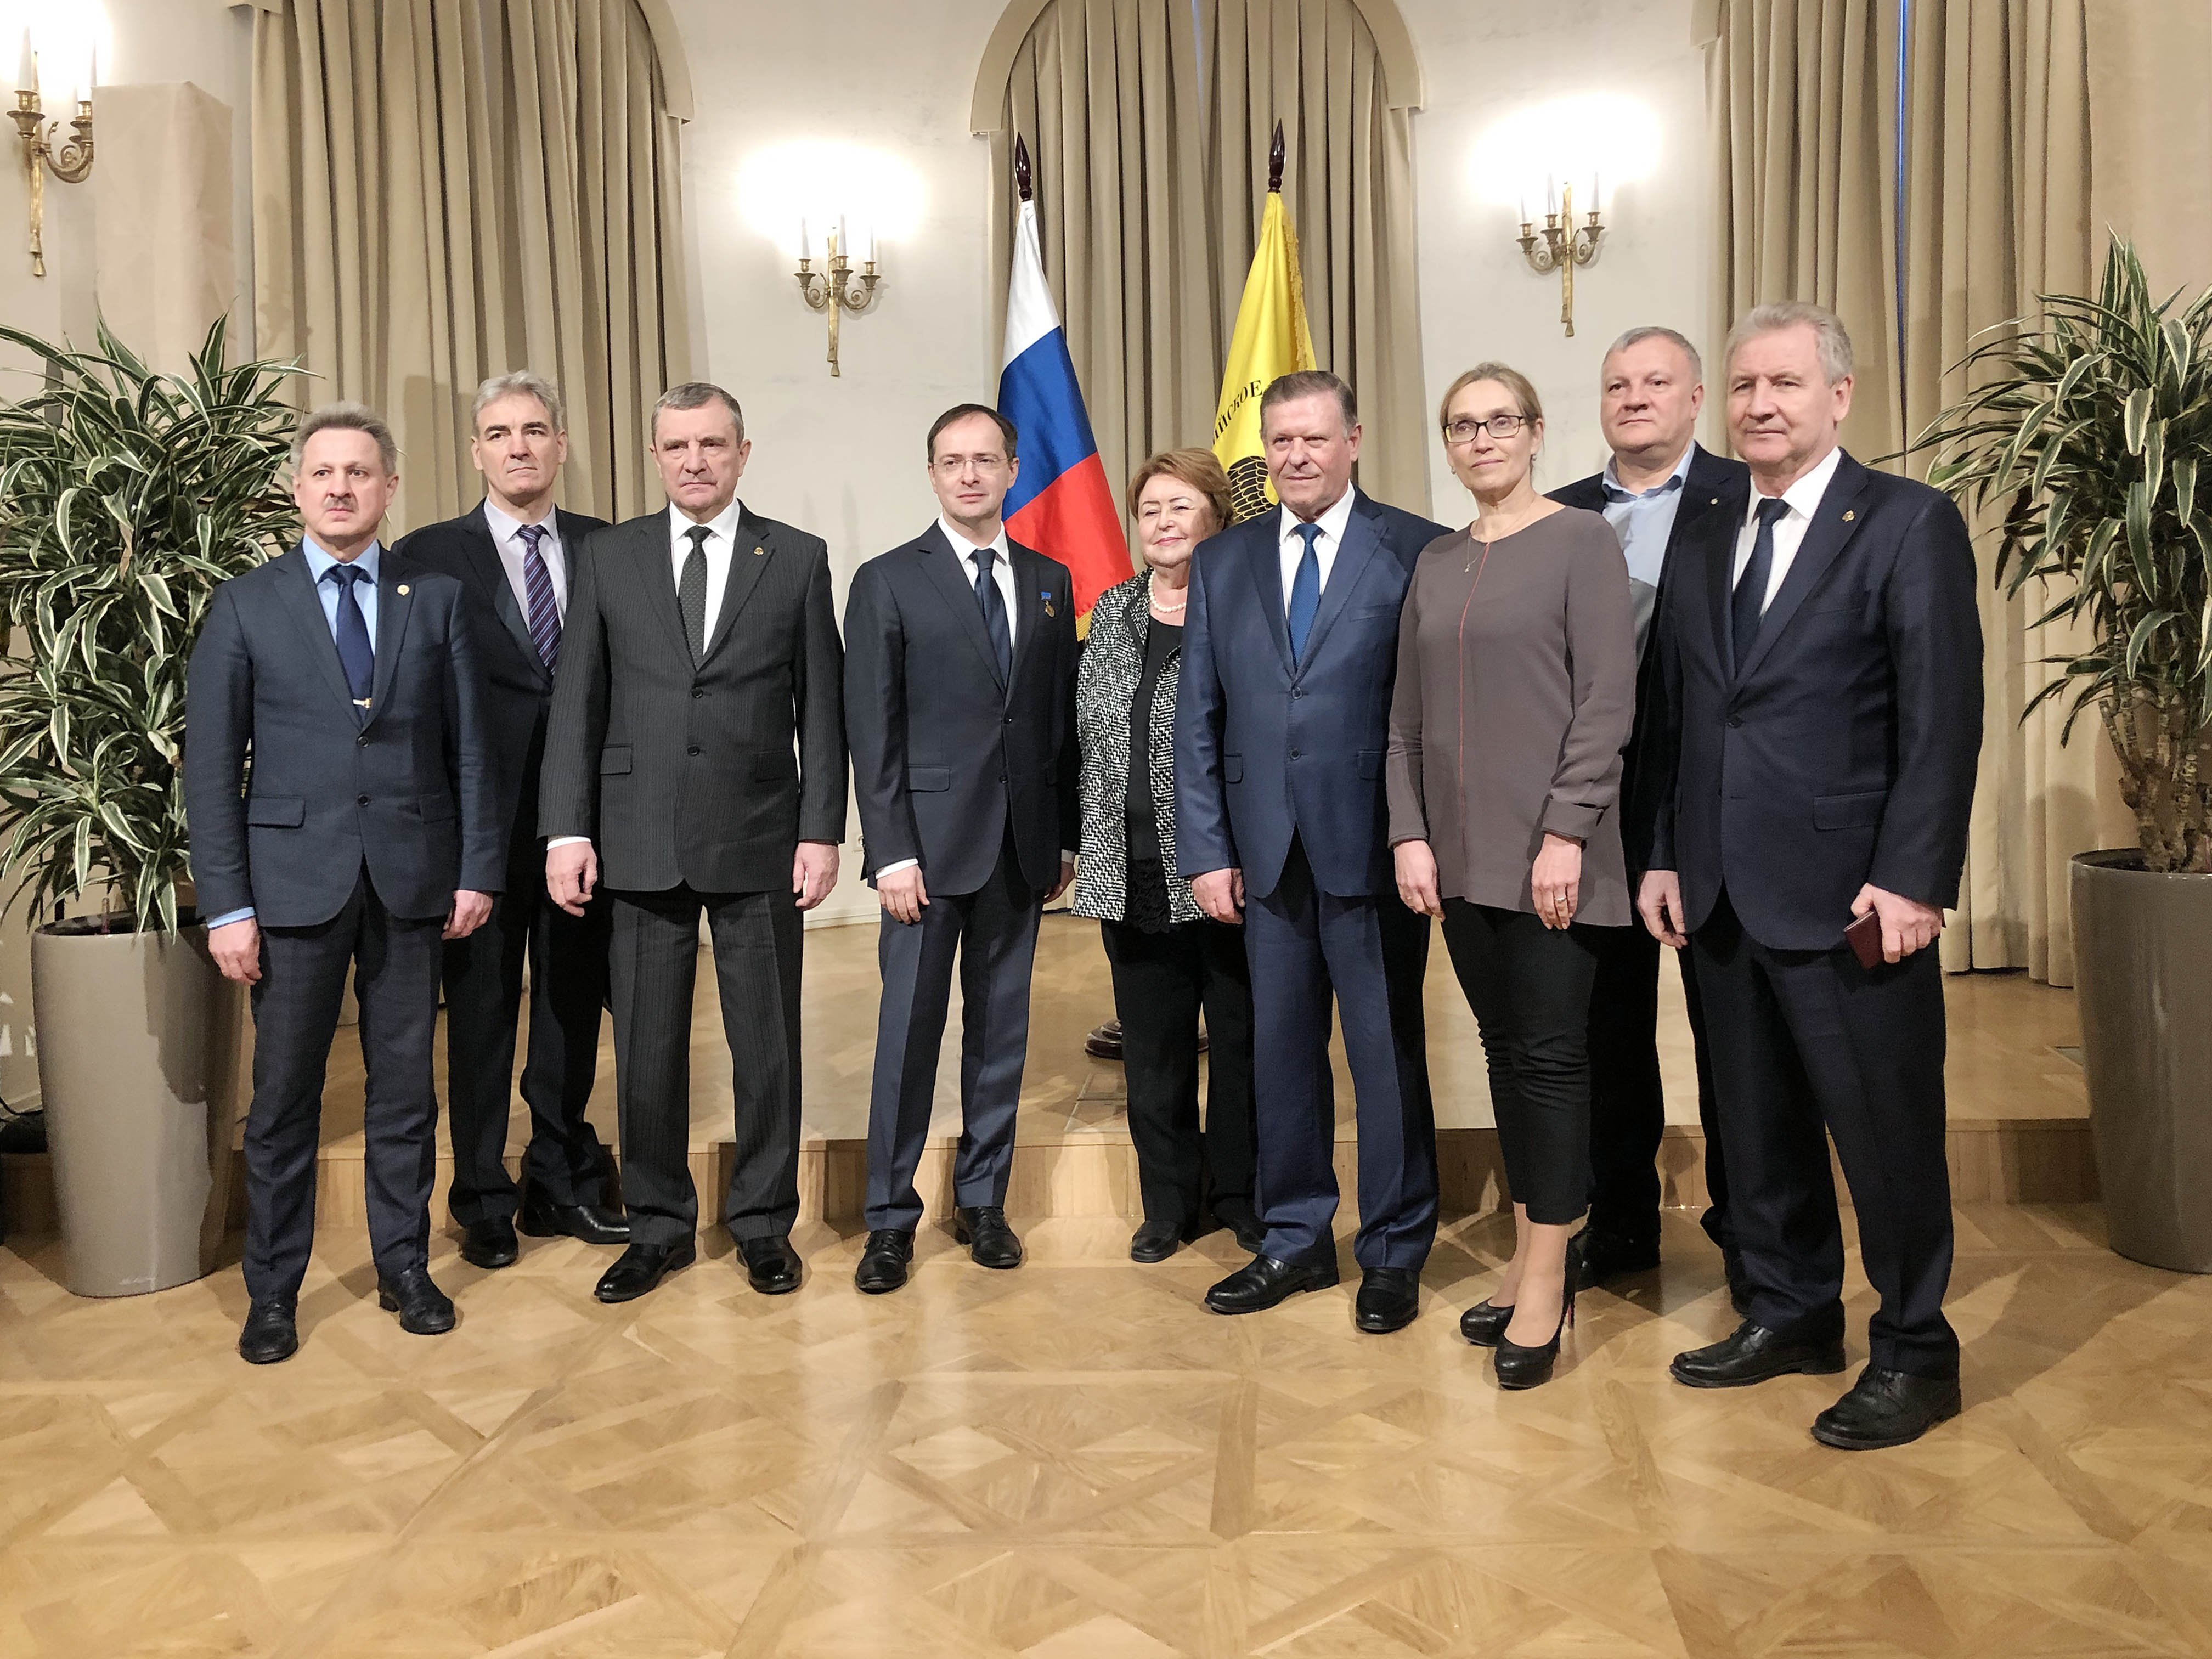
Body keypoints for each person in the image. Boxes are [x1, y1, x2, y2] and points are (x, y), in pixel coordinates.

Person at [1638, 302, 1982, 1451]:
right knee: (1754, 1125)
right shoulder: (1705, 527)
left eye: (1784, 384)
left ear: (1839, 395)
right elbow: (1681, 710)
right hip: (1721, 890)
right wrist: (1664, 852)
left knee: (1885, 1135)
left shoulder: (1906, 522)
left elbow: (1942, 719)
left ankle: (1917, 1351)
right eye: (1744, 386)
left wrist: (1914, 879)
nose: (1761, 405)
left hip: (1852, 898)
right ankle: (1791, 1313)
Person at [185, 403, 500, 1364]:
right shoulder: (247, 604)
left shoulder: (435, 599)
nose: (340, 488)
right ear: (297, 489)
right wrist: (227, 905)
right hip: (290, 889)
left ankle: (404, 1266)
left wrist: (477, 869)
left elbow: (472, 752)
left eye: (359, 472)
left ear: (389, 487)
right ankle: (273, 1292)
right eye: (322, 472)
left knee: (405, 1093)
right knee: (285, 1098)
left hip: (412, 882)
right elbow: (212, 769)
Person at [538, 382, 848, 1305]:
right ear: (655, 456)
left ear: (742, 453)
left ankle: (763, 1222)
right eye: (677, 446)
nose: (695, 461)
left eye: (712, 444)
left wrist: (822, 829)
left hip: (760, 836)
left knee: (768, 1044)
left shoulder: (796, 557)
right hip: (637, 836)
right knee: (646, 1050)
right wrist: (567, 829)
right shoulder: (610, 555)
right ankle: (658, 1226)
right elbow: (578, 700)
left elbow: (822, 710)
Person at [1175, 370, 1449, 1335]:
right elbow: (1198, 715)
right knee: (1280, 1054)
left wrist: (1419, 834)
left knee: (1385, 1055)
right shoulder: (1223, 560)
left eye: (1314, 439)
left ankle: (1395, 1248)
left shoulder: (1415, 547)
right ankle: (1294, 1238)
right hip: (1264, 854)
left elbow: (1428, 712)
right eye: (1280, 441)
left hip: (1373, 848)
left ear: (1354, 441)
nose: (1295, 457)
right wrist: (1206, 849)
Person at [1388, 364, 1637, 1388]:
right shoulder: (1437, 560)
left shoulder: (1582, 541)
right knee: (1504, 1055)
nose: (1482, 439)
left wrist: (1567, 831)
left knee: (1549, 1061)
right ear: (1447, 445)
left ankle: (1546, 1278)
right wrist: (1409, 835)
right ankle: (1534, 1254)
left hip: (1550, 859)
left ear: (1536, 432)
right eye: (1463, 426)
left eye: (1501, 421)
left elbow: (1607, 700)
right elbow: (1403, 720)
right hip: (1457, 859)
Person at [843, 404, 1080, 1294]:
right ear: (933, 474)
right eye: (953, 461)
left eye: (986, 459)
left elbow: (1054, 723)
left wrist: (1061, 837)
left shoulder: (1050, 579)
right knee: (907, 1037)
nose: (970, 475)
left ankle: (984, 1201)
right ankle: (888, 1218)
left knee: (1001, 1037)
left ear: (1014, 470)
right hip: (924, 856)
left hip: (1019, 850)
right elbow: (873, 729)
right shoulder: (886, 580)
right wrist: (890, 851)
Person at [393, 373, 626, 1272]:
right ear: (476, 452)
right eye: (499, 433)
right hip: (474, 835)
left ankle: (559, 1179)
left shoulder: (611, 548)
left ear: (562, 445)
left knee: (570, 1006)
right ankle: (482, 1194)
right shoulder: (425, 557)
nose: (518, 446)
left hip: (583, 829)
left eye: (534, 430)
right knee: (481, 1017)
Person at [1548, 328, 1751, 1307]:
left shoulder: (1745, 496)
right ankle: (1621, 1220)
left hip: (1714, 798)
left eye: (1656, 381)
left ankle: (1748, 1231)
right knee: (1605, 1028)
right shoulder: (1559, 514)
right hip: (1598, 804)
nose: (1634, 398)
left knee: (1733, 1031)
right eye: (1617, 384)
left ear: (1697, 396)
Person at [1073, 449, 1261, 1262]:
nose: (1162, 522)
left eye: (1180, 506)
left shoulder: (1246, 607)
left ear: (1216, 517)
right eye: (1150, 509)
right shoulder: (1113, 610)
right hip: (1130, 869)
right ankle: (1168, 1206)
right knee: (1152, 1052)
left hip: (1228, 874)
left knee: (1243, 1046)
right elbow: (1083, 736)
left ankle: (1241, 1197)